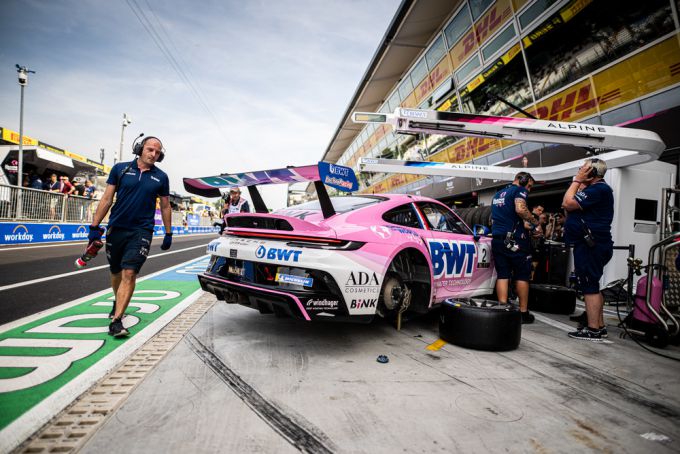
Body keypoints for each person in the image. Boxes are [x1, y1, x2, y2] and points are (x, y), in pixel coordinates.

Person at [89, 136, 172, 337]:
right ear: (140, 149)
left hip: (141, 230)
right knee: (116, 271)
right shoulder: (120, 169)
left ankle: (117, 321)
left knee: (129, 272)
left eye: (158, 152)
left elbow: (166, 205)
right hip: (116, 228)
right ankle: (118, 301)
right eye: (150, 149)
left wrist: (168, 233)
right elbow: (107, 198)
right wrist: (94, 226)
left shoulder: (161, 177)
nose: (154, 154)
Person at [562, 158, 614, 341]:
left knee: (589, 286)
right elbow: (569, 209)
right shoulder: (596, 190)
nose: (580, 171)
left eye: (583, 170)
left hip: (591, 245)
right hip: (592, 244)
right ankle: (599, 326)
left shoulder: (598, 189)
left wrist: (576, 181)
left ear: (591, 173)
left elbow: (567, 204)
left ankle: (592, 330)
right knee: (593, 285)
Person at [491, 172, 541, 324]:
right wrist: (535, 224)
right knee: (522, 275)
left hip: (498, 238)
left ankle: (503, 310)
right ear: (523, 180)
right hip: (515, 240)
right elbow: (520, 209)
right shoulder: (519, 190)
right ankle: (523, 313)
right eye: (530, 186)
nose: (529, 190)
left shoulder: (497, 194)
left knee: (503, 275)